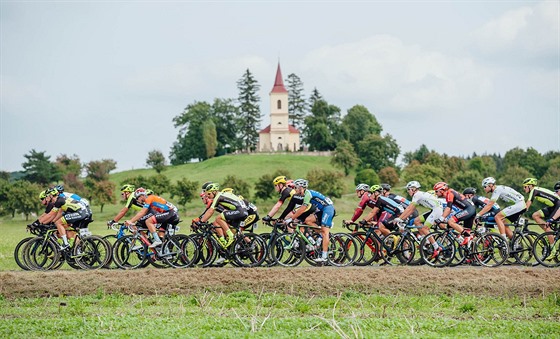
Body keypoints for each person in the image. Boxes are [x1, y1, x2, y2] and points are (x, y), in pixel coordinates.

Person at [394, 181, 442, 257]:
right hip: (434, 209)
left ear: (413, 189)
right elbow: (412, 209)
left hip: (437, 210)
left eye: (408, 189)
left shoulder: (417, 195)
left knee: (425, 228)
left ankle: (437, 248)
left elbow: (409, 208)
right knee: (417, 221)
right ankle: (425, 240)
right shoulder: (418, 195)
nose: (408, 191)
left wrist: (400, 218)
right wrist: (402, 218)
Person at [193, 183, 247, 248]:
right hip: (242, 211)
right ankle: (238, 248)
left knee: (218, 218)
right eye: (207, 195)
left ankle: (231, 237)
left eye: (209, 194)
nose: (208, 196)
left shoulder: (218, 196)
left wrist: (201, 222)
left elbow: (211, 211)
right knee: (234, 232)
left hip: (240, 211)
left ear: (214, 192)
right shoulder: (222, 195)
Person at [300, 179, 336, 263]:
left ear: (301, 188)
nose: (295, 189)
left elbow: (303, 208)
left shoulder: (307, 194)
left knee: (325, 233)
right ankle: (320, 235)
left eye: (296, 187)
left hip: (328, 209)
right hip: (322, 210)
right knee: (308, 220)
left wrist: (293, 217)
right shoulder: (305, 194)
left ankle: (324, 256)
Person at [523, 178, 560, 248]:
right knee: (535, 215)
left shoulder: (534, 190)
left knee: (547, 226)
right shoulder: (536, 190)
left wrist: (519, 212)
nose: (524, 188)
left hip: (558, 205)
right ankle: (548, 235)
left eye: (525, 186)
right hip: (553, 206)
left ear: (530, 186)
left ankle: (552, 249)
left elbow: (528, 203)